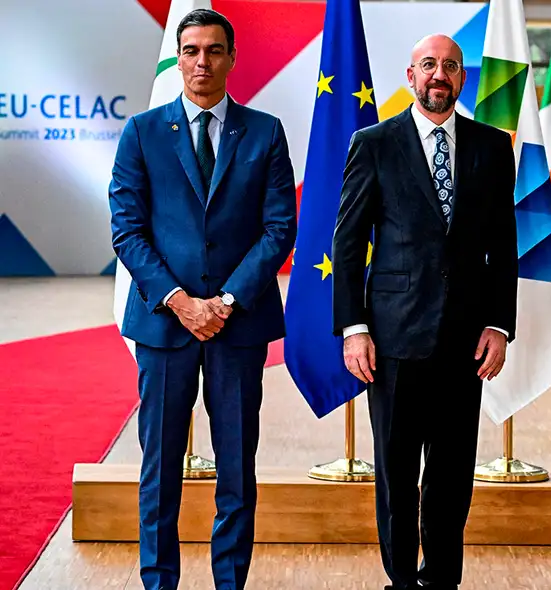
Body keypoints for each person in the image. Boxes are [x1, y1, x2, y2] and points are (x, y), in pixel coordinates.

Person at [109, 9, 296, 590]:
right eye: (191, 51)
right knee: (159, 469)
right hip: (165, 328)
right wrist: (181, 300)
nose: (202, 62)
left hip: (237, 330)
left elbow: (278, 228)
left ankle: (229, 582)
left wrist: (228, 300)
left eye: (214, 51)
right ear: (178, 58)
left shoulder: (264, 132)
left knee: (237, 467)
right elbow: (127, 229)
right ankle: (158, 581)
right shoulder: (142, 132)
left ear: (232, 59)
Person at [332, 34, 517, 590]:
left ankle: (441, 579)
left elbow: (503, 245)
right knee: (395, 471)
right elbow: (347, 245)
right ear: (410, 75)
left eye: (451, 66)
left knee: (453, 473)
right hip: (391, 339)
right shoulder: (374, 143)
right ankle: (399, 580)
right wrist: (354, 328)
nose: (440, 74)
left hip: (467, 340)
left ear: (463, 79)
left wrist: (499, 323)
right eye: (430, 65)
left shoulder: (491, 146)